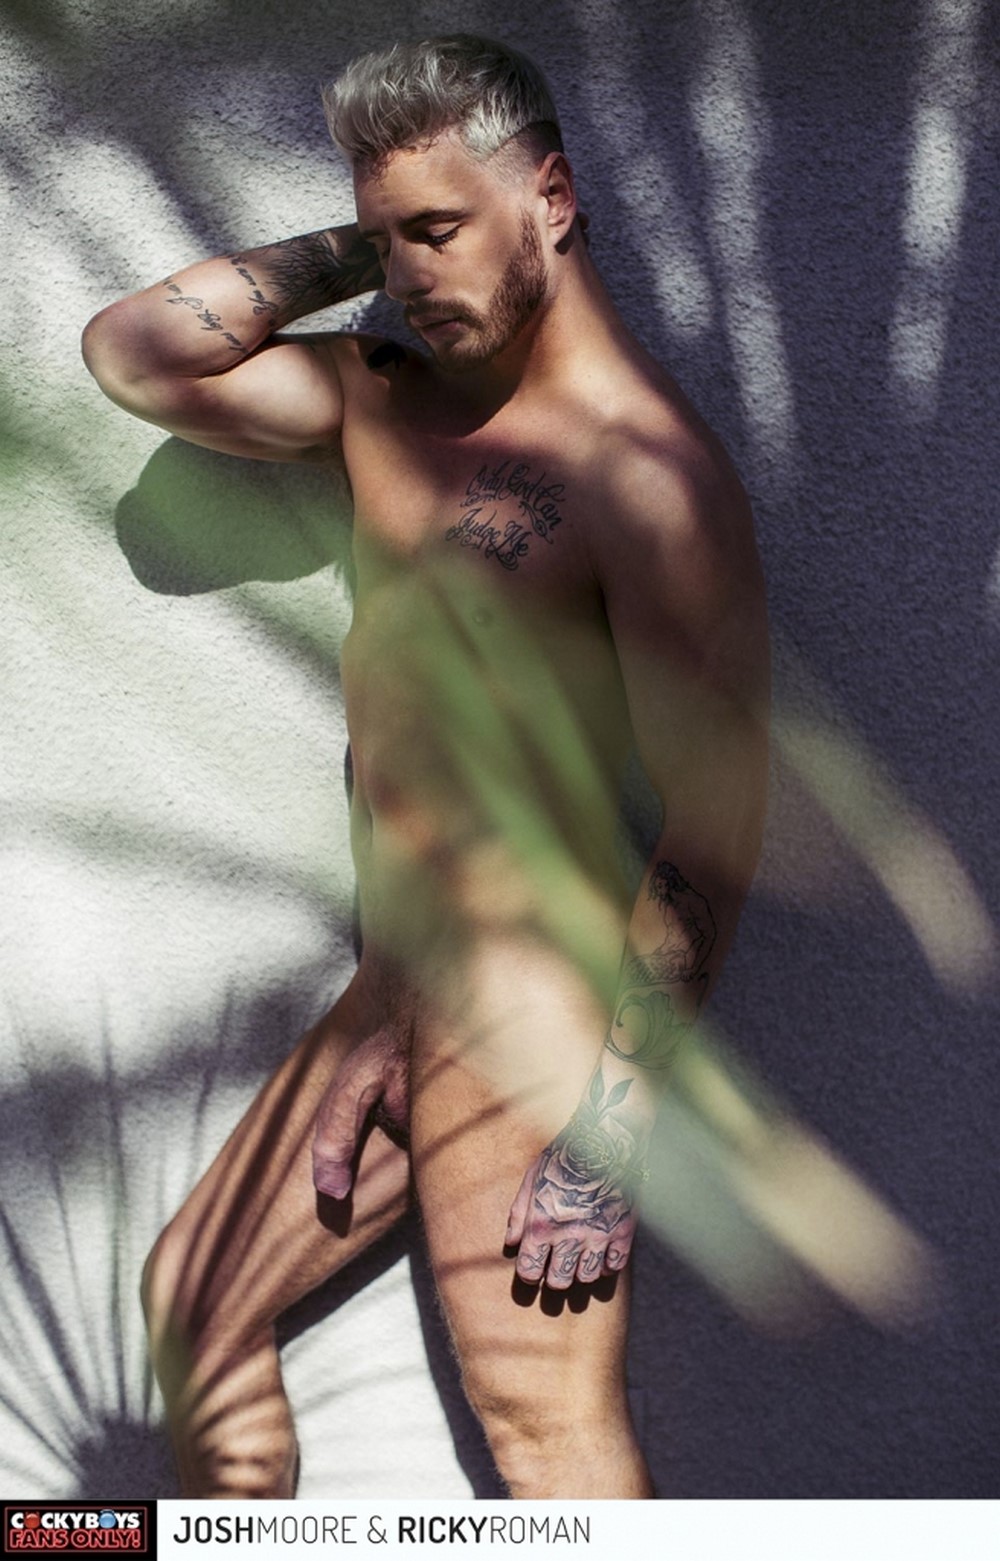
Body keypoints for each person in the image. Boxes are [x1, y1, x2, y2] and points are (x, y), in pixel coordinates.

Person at [82, 34, 769, 1500]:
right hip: (402, 970)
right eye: (385, 240)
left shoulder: (645, 475)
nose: (406, 275)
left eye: (439, 231)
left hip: (529, 979)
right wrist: (382, 239)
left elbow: (715, 823)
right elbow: (138, 352)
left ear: (552, 199)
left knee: (546, 1428)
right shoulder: (386, 390)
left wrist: (606, 1129)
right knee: (195, 1302)